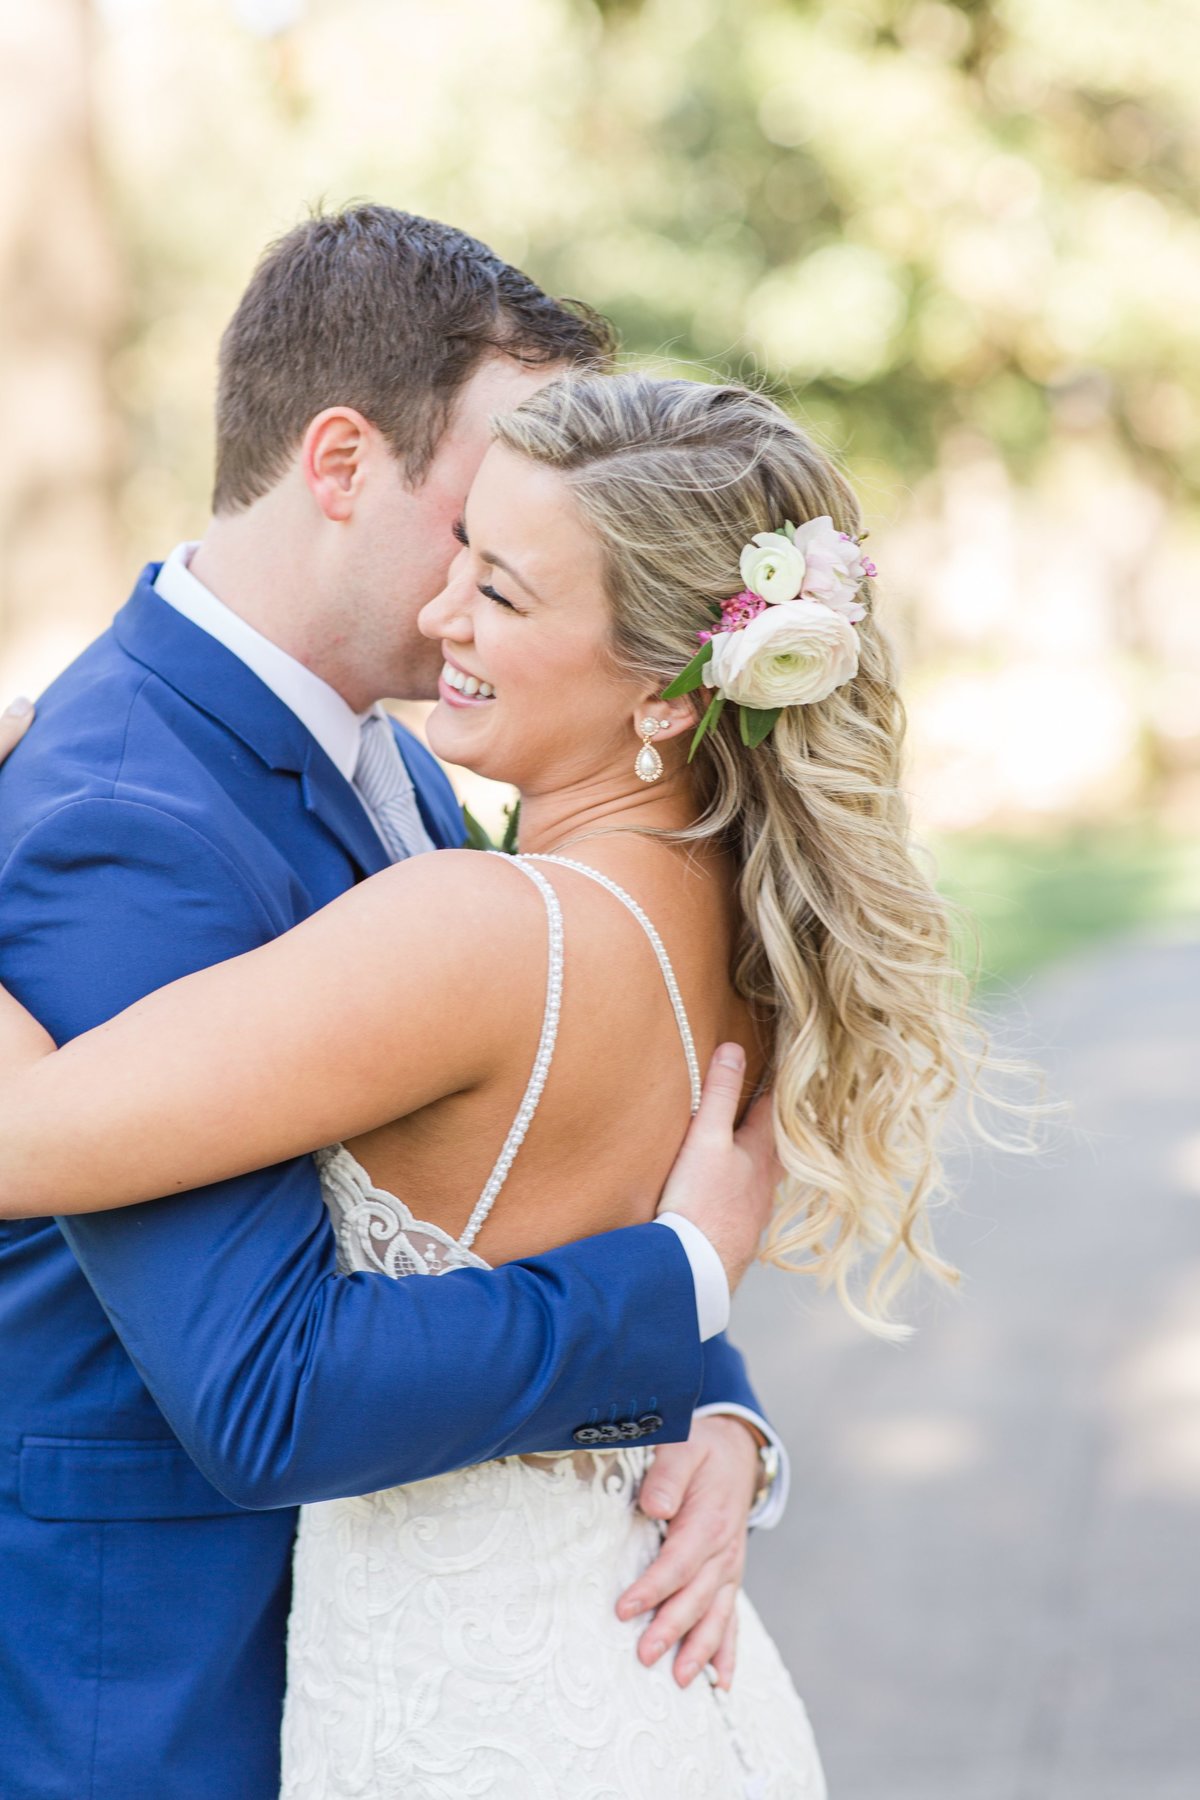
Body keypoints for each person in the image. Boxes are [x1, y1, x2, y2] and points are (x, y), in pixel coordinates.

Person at [0, 354, 990, 1791]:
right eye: (462, 547)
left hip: (465, 1716)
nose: (442, 609)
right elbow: (557, 1204)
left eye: (504, 590)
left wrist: (684, 1312)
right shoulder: (726, 912)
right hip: (631, 1680)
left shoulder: (480, 919)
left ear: (664, 690)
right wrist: (694, 1351)